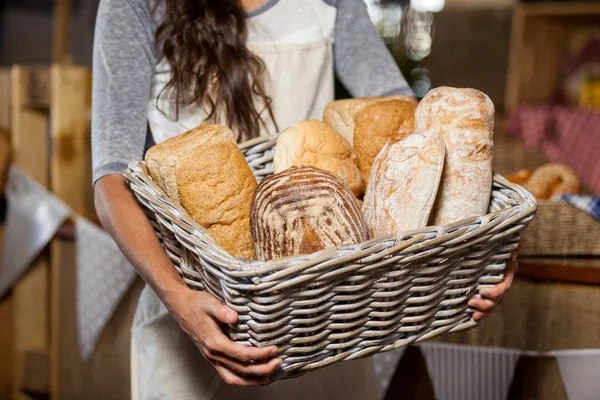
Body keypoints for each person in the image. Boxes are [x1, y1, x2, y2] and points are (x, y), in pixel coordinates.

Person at [91, 0, 518, 398]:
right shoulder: (134, 5)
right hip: (193, 307)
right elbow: (112, 179)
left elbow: (403, 123)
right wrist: (179, 301)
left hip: (324, 312)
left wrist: (479, 244)